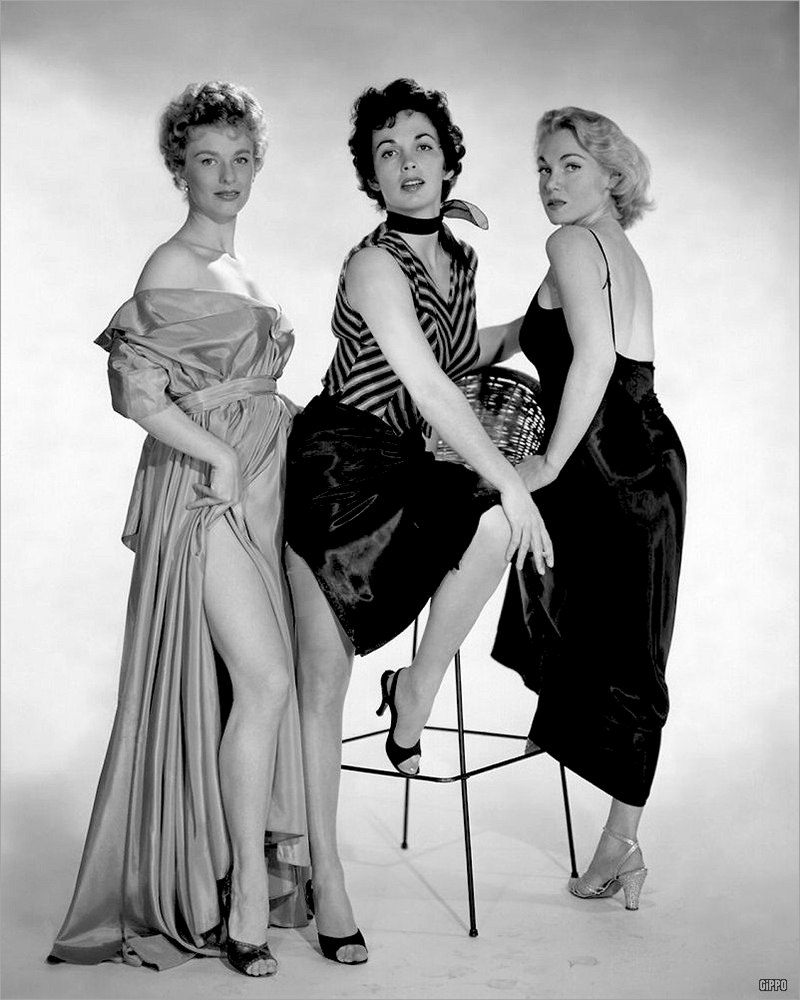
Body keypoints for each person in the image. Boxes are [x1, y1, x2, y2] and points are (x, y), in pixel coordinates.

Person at [283, 78, 552, 964]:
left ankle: (415, 693)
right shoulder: (371, 264)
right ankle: (328, 879)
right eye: (387, 150)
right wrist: (512, 482)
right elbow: (430, 386)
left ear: (447, 161)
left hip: (407, 465)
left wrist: (545, 310)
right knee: (322, 683)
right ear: (370, 172)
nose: (406, 162)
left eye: (422, 145)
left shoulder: (459, 260)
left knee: (491, 529)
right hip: (336, 471)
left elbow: (463, 354)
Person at [47, 81, 310, 977]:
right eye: (207, 160)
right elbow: (136, 392)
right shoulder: (171, 264)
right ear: (179, 170)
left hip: (260, 489)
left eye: (241, 159)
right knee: (266, 680)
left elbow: (242, 385)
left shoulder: (237, 268)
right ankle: (244, 899)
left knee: (250, 687)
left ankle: (230, 872)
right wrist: (222, 456)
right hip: (204, 495)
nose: (226, 176)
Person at [482, 107, 686, 910]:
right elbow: (531, 335)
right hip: (642, 454)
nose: (551, 181)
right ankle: (621, 844)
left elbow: (594, 358)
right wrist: (441, 344)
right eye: (543, 166)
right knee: (633, 649)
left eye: (570, 165)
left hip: (609, 460)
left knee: (620, 650)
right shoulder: (613, 249)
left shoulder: (572, 243)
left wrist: (547, 462)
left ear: (611, 175)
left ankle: (619, 842)